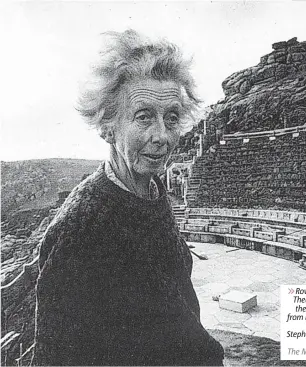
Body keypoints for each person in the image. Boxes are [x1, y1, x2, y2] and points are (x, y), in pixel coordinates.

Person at [32, 30, 224, 366]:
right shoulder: (80, 230)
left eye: (172, 117)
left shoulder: (151, 193)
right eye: (144, 116)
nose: (162, 136)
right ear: (107, 126)